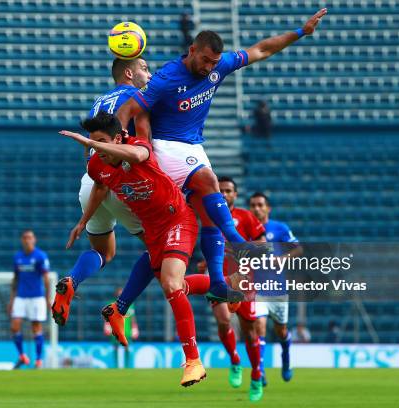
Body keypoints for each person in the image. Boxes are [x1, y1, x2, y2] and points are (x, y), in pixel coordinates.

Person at [115, 8, 327, 302]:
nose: (208, 67)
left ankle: (216, 281)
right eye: (204, 60)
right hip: (166, 145)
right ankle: (241, 244)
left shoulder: (218, 67)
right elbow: (128, 109)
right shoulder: (166, 77)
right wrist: (119, 145)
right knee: (209, 181)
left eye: (213, 62)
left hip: (193, 146)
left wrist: (301, 32)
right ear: (192, 50)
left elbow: (262, 49)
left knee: (208, 217)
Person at [61, 111, 207, 387]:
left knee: (172, 286)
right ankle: (227, 288)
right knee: (175, 285)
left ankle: (193, 361)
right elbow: (100, 189)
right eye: (92, 142)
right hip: (152, 231)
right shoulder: (96, 164)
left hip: (178, 220)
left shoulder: (138, 147)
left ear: (117, 139)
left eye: (101, 142)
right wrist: (83, 222)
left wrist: (91, 143)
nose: (96, 149)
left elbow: (139, 157)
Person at [51, 57, 154, 327]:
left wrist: (82, 221)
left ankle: (72, 280)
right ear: (129, 73)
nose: (150, 74)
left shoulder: (99, 102)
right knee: (163, 249)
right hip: (120, 179)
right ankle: (120, 309)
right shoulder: (136, 96)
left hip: (92, 180)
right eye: (145, 69)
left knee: (104, 252)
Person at [200, 176, 266, 401]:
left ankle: (256, 374)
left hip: (243, 278)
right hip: (218, 276)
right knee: (223, 320)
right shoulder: (207, 214)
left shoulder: (245, 217)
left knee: (249, 330)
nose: (226, 194)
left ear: (235, 195)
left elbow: (263, 244)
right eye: (223, 190)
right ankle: (235, 360)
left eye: (230, 191)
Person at [249, 192, 303, 385]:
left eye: (260, 205)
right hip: (256, 289)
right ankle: (260, 370)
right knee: (259, 327)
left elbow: (298, 249)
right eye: (253, 205)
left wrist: (281, 259)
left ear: (267, 208)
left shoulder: (279, 228)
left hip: (278, 288)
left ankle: (286, 357)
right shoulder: (247, 229)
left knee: (281, 331)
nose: (256, 208)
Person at [8, 229, 50, 369]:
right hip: (20, 296)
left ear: (34, 240)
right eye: (25, 237)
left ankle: (38, 360)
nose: (27, 240)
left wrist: (47, 298)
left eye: (30, 237)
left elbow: (46, 278)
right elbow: (15, 279)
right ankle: (22, 356)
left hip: (37, 297)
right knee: (14, 326)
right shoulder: (18, 257)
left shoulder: (40, 256)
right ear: (22, 240)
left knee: (36, 327)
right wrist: (11, 299)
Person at [104, 287, 140, 368]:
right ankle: (115, 366)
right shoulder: (111, 304)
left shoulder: (130, 305)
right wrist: (106, 326)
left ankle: (127, 366)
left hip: (126, 330)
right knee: (115, 348)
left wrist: (135, 328)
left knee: (127, 348)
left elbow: (133, 318)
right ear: (116, 294)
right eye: (119, 293)